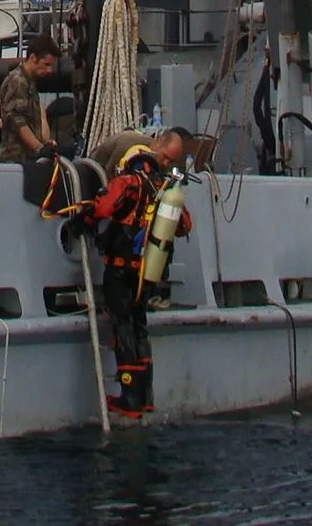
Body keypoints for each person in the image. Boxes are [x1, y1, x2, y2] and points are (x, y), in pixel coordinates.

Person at [87, 128, 193, 416]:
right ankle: (145, 396)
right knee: (140, 328)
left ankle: (129, 398)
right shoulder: (164, 189)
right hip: (145, 273)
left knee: (123, 330)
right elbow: (184, 225)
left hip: (120, 271)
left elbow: (103, 208)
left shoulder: (128, 182)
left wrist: (87, 213)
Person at [0, 36, 59, 165]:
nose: (49, 70)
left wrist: (45, 143)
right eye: (46, 64)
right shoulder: (17, 81)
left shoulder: (29, 82)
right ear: (33, 58)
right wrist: (39, 148)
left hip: (28, 159)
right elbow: (17, 122)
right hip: (16, 160)